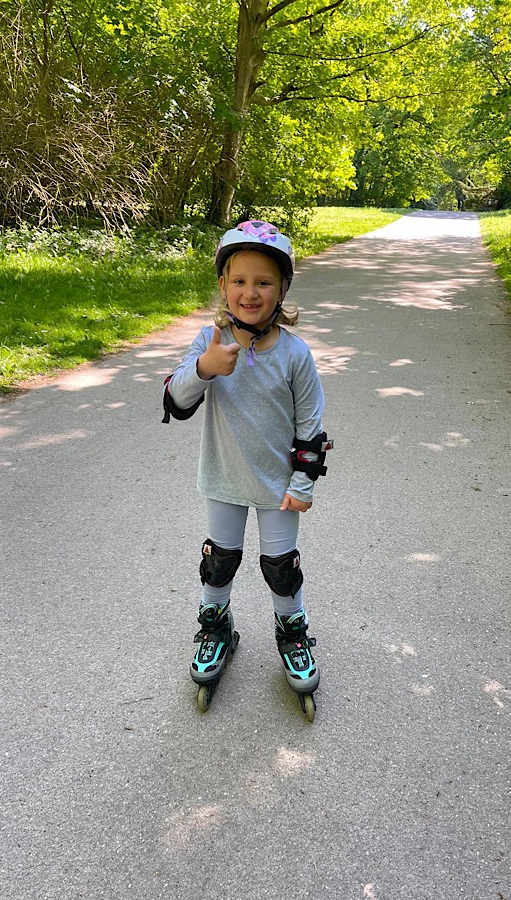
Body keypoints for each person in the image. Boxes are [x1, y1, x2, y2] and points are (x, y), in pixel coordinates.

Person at [162, 220, 332, 717]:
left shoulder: (295, 354)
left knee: (282, 569)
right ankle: (217, 629)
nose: (250, 292)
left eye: (263, 282)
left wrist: (304, 483)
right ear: (222, 286)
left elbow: (311, 424)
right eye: (239, 281)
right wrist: (205, 367)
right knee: (219, 561)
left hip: (280, 486)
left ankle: (292, 634)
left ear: (282, 289)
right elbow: (173, 398)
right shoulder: (209, 339)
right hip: (222, 478)